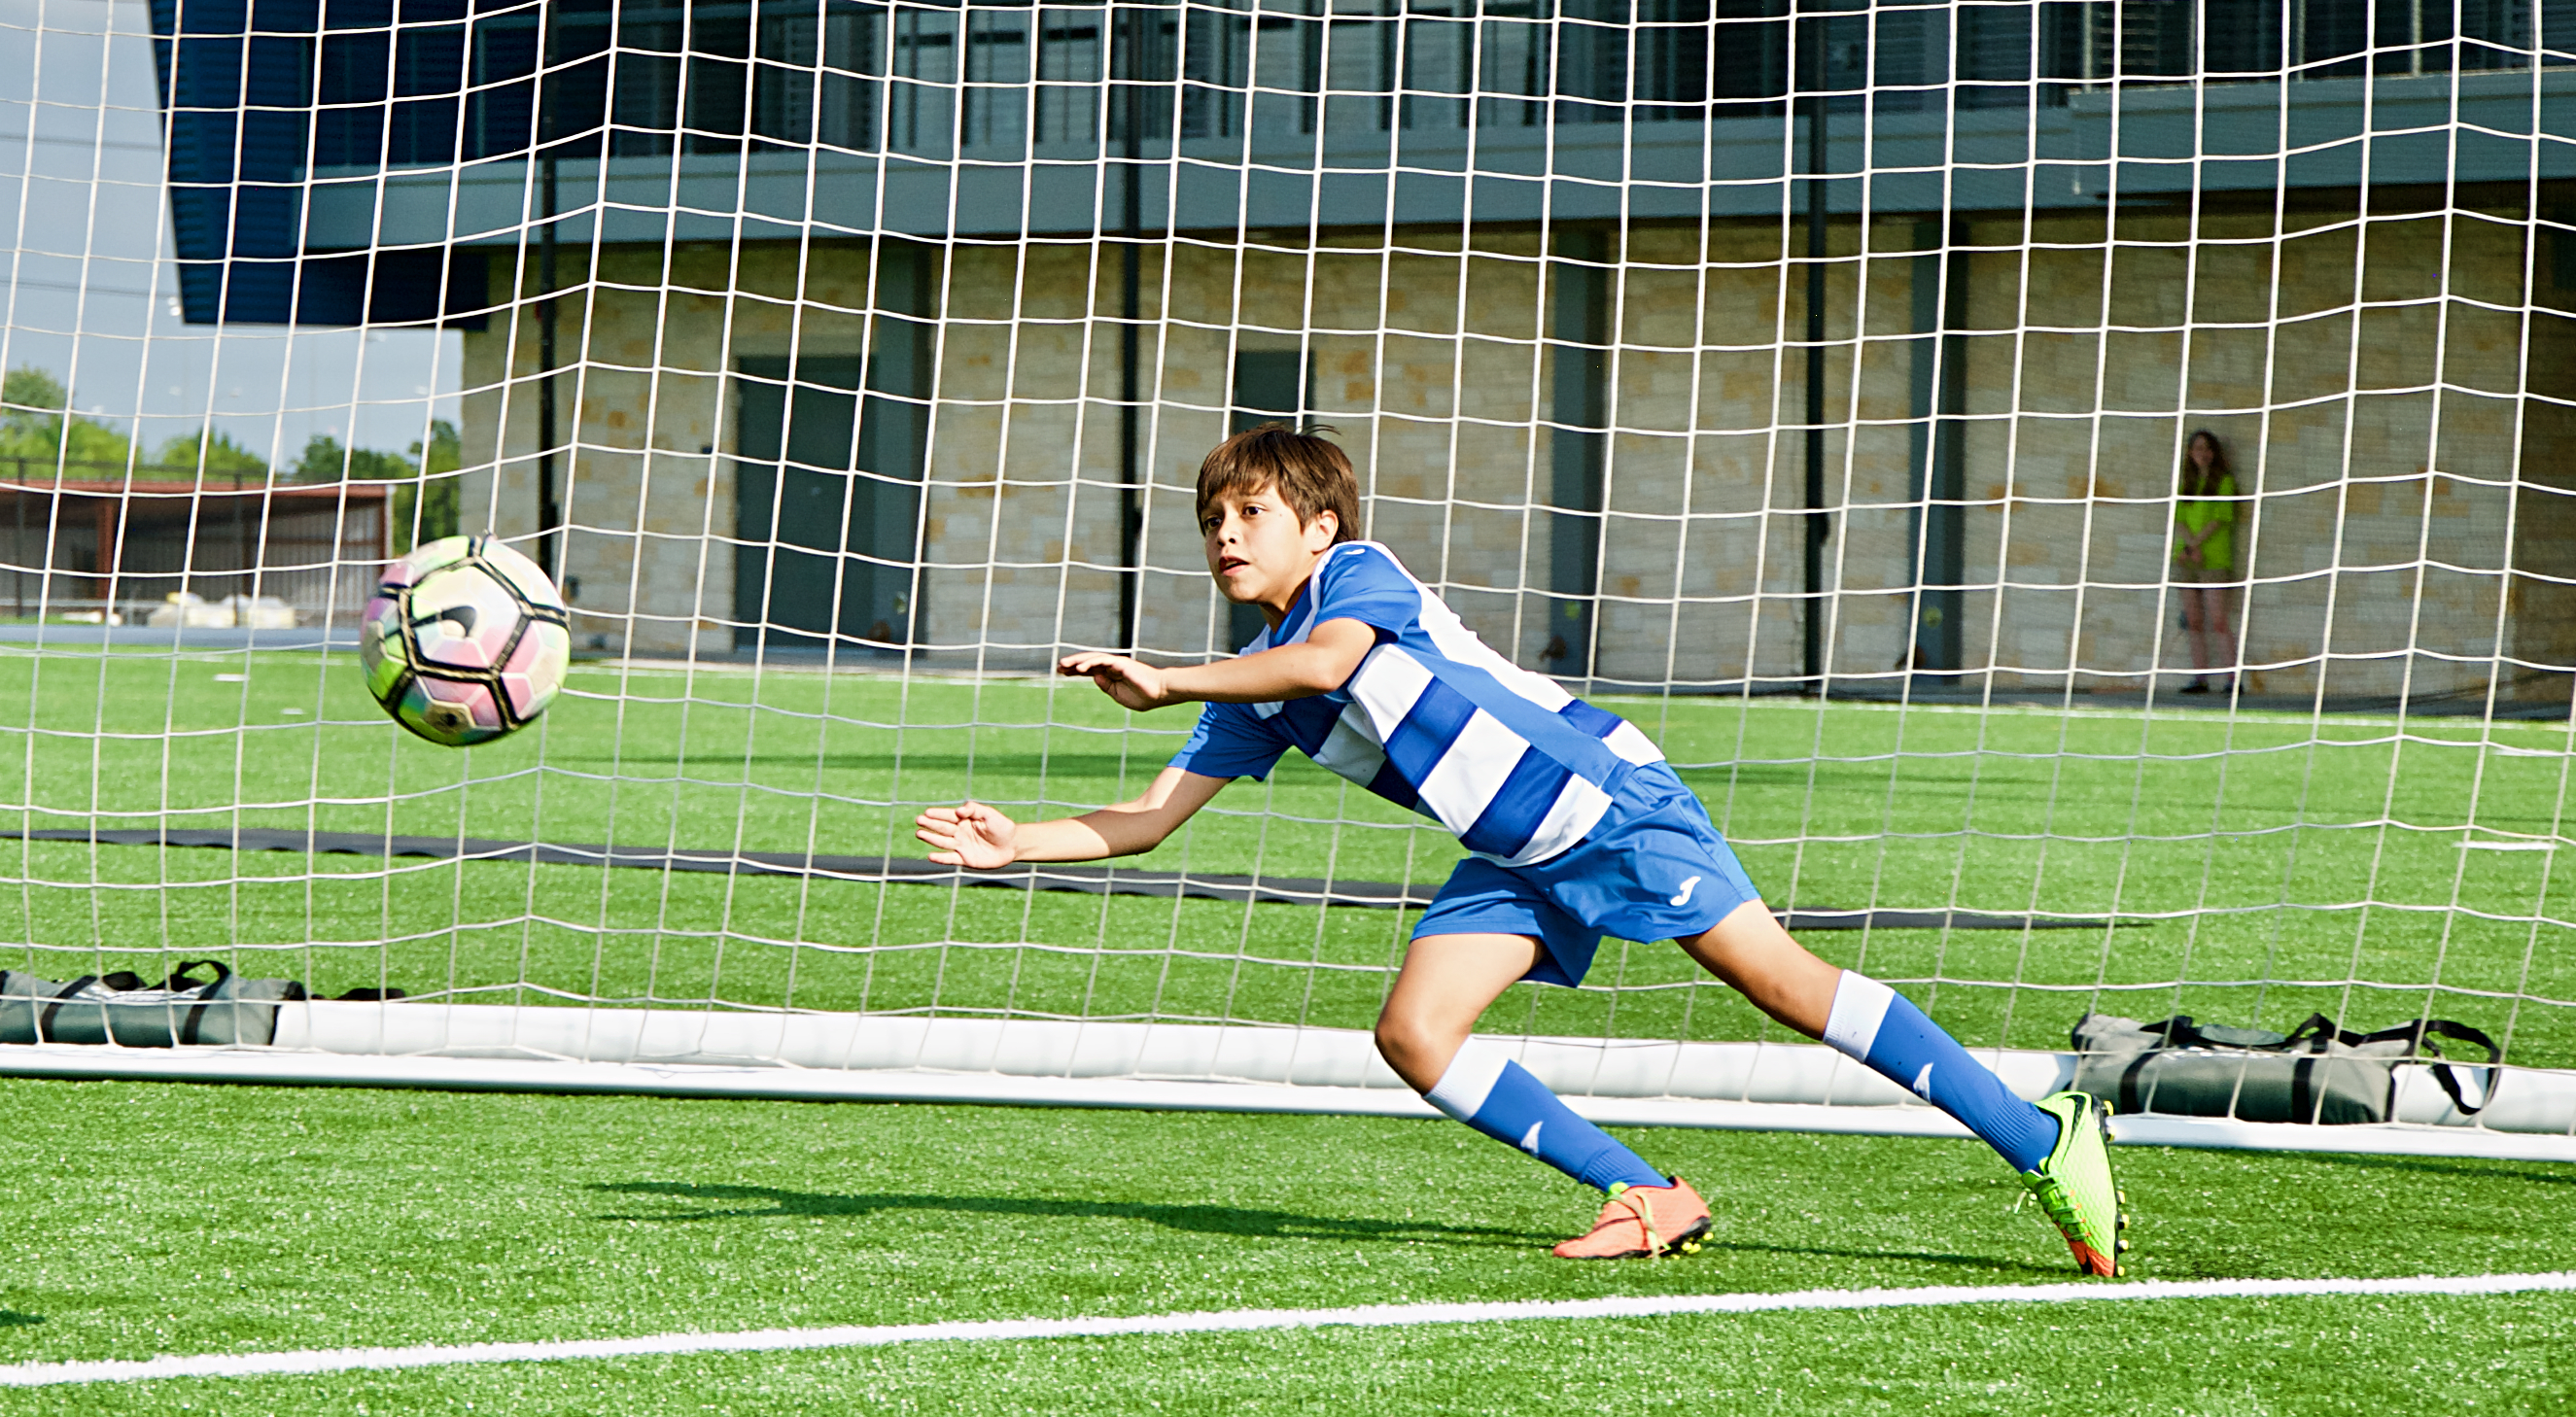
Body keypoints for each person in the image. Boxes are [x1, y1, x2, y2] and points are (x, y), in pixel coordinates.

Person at [911, 427, 2128, 1270]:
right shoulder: (1250, 686)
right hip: (1514, 853)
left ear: (1318, 523)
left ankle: (2043, 1136)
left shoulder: (1358, 579)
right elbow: (1153, 817)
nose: (1226, 536)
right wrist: (1019, 843)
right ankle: (1650, 1193)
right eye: (1212, 520)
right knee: (1415, 1034)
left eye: (1252, 515)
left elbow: (1333, 663)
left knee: (1785, 987)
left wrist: (1170, 676)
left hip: (1608, 805)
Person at [2172, 429, 2242, 697]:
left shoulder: (2223, 483)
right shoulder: (2185, 485)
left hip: (2213, 559)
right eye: (2198, 448)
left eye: (2208, 448)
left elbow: (2220, 519)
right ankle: (2199, 678)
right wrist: (2189, 547)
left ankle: (2232, 679)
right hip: (2186, 558)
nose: (2203, 453)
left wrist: (2197, 544)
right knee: (2194, 620)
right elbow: (2179, 519)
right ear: (2190, 453)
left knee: (2219, 620)